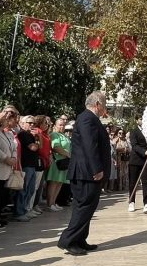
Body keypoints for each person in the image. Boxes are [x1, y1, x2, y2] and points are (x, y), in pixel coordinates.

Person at [57, 92, 109, 256]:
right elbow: (89, 146)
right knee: (83, 207)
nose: (105, 108)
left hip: (87, 172)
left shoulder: (91, 118)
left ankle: (80, 239)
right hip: (86, 172)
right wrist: (97, 169)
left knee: (88, 207)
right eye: (105, 104)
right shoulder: (87, 118)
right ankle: (68, 240)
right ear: (98, 104)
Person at [12, 115, 42, 221]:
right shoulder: (23, 134)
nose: (32, 125)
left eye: (34, 123)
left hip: (32, 165)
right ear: (22, 123)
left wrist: (38, 138)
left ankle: (24, 210)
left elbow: (39, 147)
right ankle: (19, 212)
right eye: (29, 122)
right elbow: (33, 147)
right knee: (24, 190)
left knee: (30, 189)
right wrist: (37, 141)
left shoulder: (31, 135)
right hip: (26, 165)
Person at [126, 124, 147, 213]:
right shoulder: (134, 131)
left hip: (146, 161)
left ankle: (146, 202)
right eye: (140, 118)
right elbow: (134, 146)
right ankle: (132, 202)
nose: (142, 121)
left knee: (145, 182)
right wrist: (144, 151)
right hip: (135, 160)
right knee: (133, 182)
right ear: (137, 120)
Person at [44, 115, 69, 211]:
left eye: (63, 125)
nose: (62, 127)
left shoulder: (64, 135)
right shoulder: (54, 134)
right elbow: (56, 147)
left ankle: (54, 202)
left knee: (60, 183)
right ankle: (50, 203)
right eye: (60, 125)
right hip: (57, 161)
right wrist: (67, 154)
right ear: (55, 125)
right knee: (54, 182)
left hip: (64, 162)